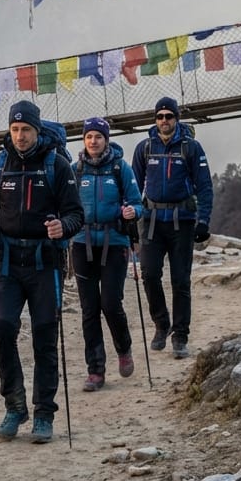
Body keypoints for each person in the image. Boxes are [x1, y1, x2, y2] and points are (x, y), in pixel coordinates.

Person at [0, 100, 84, 443]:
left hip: (46, 264)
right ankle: (14, 406)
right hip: (8, 262)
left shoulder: (57, 166)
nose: (20, 136)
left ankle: (44, 413)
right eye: (14, 130)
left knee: (45, 336)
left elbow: (76, 214)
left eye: (26, 130)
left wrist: (64, 227)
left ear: (37, 129)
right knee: (1, 328)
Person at [131, 96, 213, 359]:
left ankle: (180, 335)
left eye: (169, 115)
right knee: (149, 275)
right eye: (160, 116)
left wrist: (203, 220)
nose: (164, 120)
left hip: (182, 221)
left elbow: (204, 185)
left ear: (176, 118)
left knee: (180, 281)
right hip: (152, 222)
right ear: (155, 120)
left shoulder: (191, 147)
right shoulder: (144, 148)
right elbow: (133, 188)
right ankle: (161, 323)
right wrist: (131, 222)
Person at [70, 117, 142, 391]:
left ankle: (124, 349)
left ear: (106, 140)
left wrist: (133, 211)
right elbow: (66, 205)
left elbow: (138, 202)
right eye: (89, 136)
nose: (93, 141)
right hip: (82, 242)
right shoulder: (75, 170)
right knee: (89, 309)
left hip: (115, 242)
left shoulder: (120, 168)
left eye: (98, 136)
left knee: (110, 303)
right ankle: (95, 371)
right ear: (84, 140)